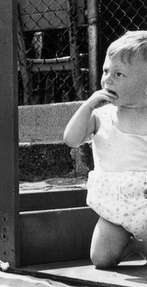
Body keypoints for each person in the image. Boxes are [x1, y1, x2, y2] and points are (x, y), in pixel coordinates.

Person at [63, 31, 147, 269]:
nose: (108, 80)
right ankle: (132, 246)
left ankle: (143, 245)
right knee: (101, 258)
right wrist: (87, 106)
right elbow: (71, 139)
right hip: (115, 209)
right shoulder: (100, 116)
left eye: (119, 74)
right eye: (106, 71)